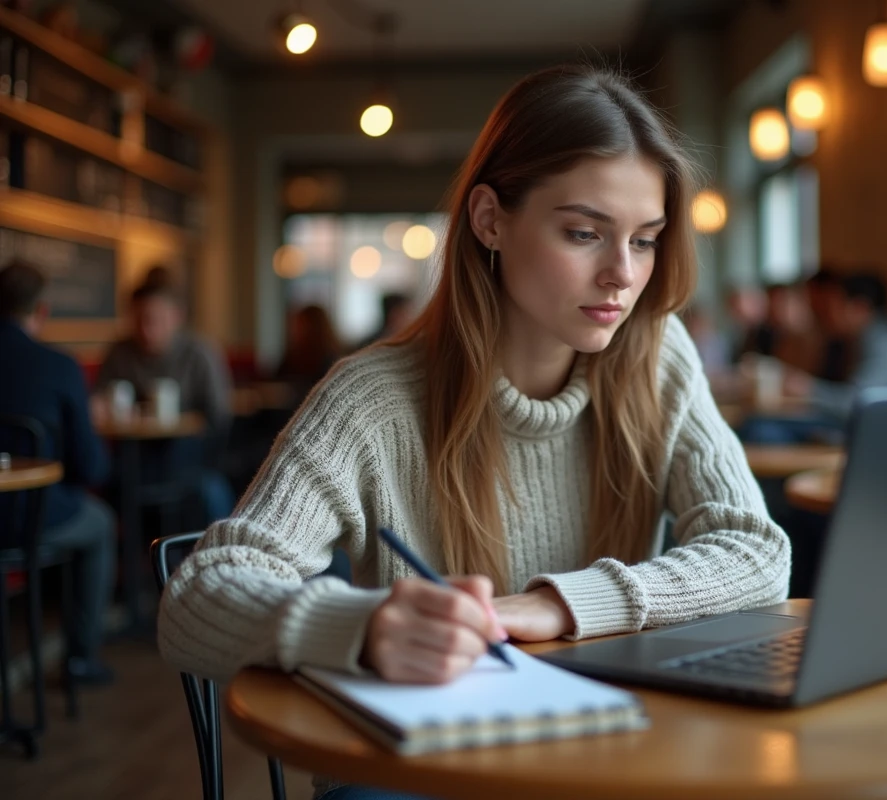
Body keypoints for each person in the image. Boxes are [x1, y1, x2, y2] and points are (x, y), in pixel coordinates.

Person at [157, 64, 790, 800]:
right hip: (417, 770)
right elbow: (196, 597)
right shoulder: (371, 400)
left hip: (603, 749)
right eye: (585, 233)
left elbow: (757, 552)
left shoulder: (658, 357)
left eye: (645, 240)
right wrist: (360, 627)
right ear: (490, 220)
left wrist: (556, 605)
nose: (622, 274)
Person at [0, 259, 117, 685]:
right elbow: (90, 467)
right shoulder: (59, 366)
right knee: (101, 523)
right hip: (34, 516)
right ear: (42, 310)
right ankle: (80, 658)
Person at [96, 270, 235, 522]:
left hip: (189, 460)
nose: (146, 329)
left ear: (177, 317)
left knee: (211, 491)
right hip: (133, 459)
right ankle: (132, 558)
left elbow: (219, 417)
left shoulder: (199, 353)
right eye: (138, 319)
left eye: (154, 320)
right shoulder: (120, 352)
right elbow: (99, 402)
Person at [784, 270, 887, 418]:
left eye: (837, 306)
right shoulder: (862, 338)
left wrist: (808, 388)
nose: (831, 313)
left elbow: (858, 401)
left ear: (860, 308)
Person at [275, 304, 342, 402]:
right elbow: (276, 381)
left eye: (301, 326)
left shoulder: (329, 361)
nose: (295, 331)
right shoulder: (292, 355)